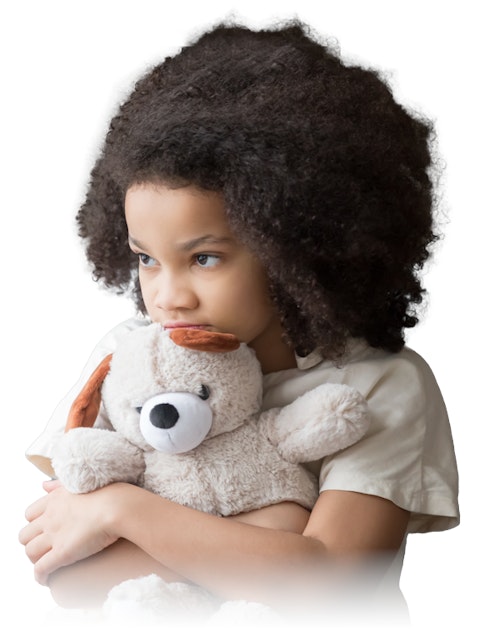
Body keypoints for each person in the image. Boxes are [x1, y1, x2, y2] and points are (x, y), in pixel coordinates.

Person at [19, 20, 459, 624]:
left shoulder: (379, 385)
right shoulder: (129, 360)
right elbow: (69, 575)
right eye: (146, 258)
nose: (167, 297)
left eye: (204, 258)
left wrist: (122, 512)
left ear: (297, 248)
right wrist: (279, 537)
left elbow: (332, 587)